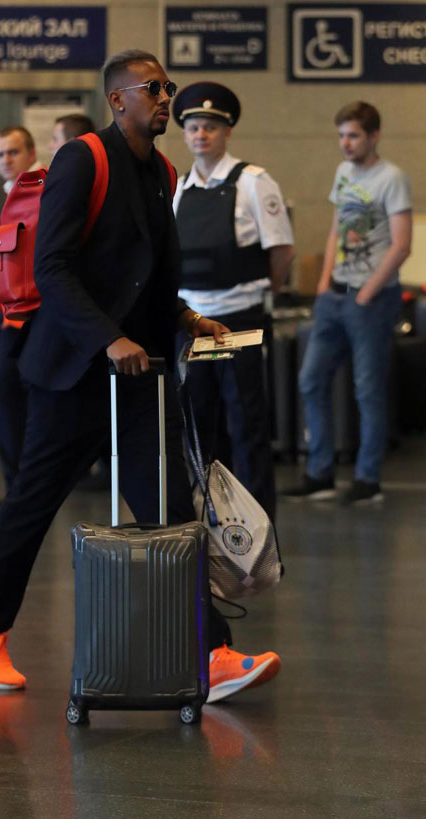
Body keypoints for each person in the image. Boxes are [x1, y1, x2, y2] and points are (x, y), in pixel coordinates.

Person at [0, 50, 281, 703]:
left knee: (169, 512)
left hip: (139, 373)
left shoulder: (161, 170)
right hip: (74, 368)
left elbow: (148, 275)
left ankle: (209, 652)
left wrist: (185, 317)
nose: (166, 98)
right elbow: (52, 267)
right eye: (153, 88)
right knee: (32, 503)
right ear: (117, 99)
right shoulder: (84, 159)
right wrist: (108, 338)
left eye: (168, 87)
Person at [172, 82, 294, 523]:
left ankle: (256, 522)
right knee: (200, 423)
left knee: (246, 422)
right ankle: (211, 517)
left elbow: (282, 251)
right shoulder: (178, 188)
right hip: (194, 321)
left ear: (226, 132)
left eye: (210, 127)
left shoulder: (254, 182)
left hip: (240, 319)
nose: (201, 135)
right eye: (193, 128)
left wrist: (262, 295)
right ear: (185, 134)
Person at [283, 101, 412, 505]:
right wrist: (324, 283)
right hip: (334, 296)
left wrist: (367, 292)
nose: (346, 143)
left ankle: (368, 479)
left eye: (353, 135)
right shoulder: (343, 173)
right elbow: (337, 229)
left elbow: (401, 245)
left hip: (371, 299)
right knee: (311, 379)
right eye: (341, 135)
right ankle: (319, 473)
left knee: (367, 389)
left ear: (373, 136)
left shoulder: (392, 178)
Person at [0, 122, 91, 491]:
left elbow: (36, 252)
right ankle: (20, 484)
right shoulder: (13, 193)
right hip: (13, 309)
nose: (5, 160)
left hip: (41, 309)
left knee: (34, 395)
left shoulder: (43, 190)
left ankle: (34, 483)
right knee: (6, 393)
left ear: (32, 153)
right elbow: (10, 256)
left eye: (13, 152)